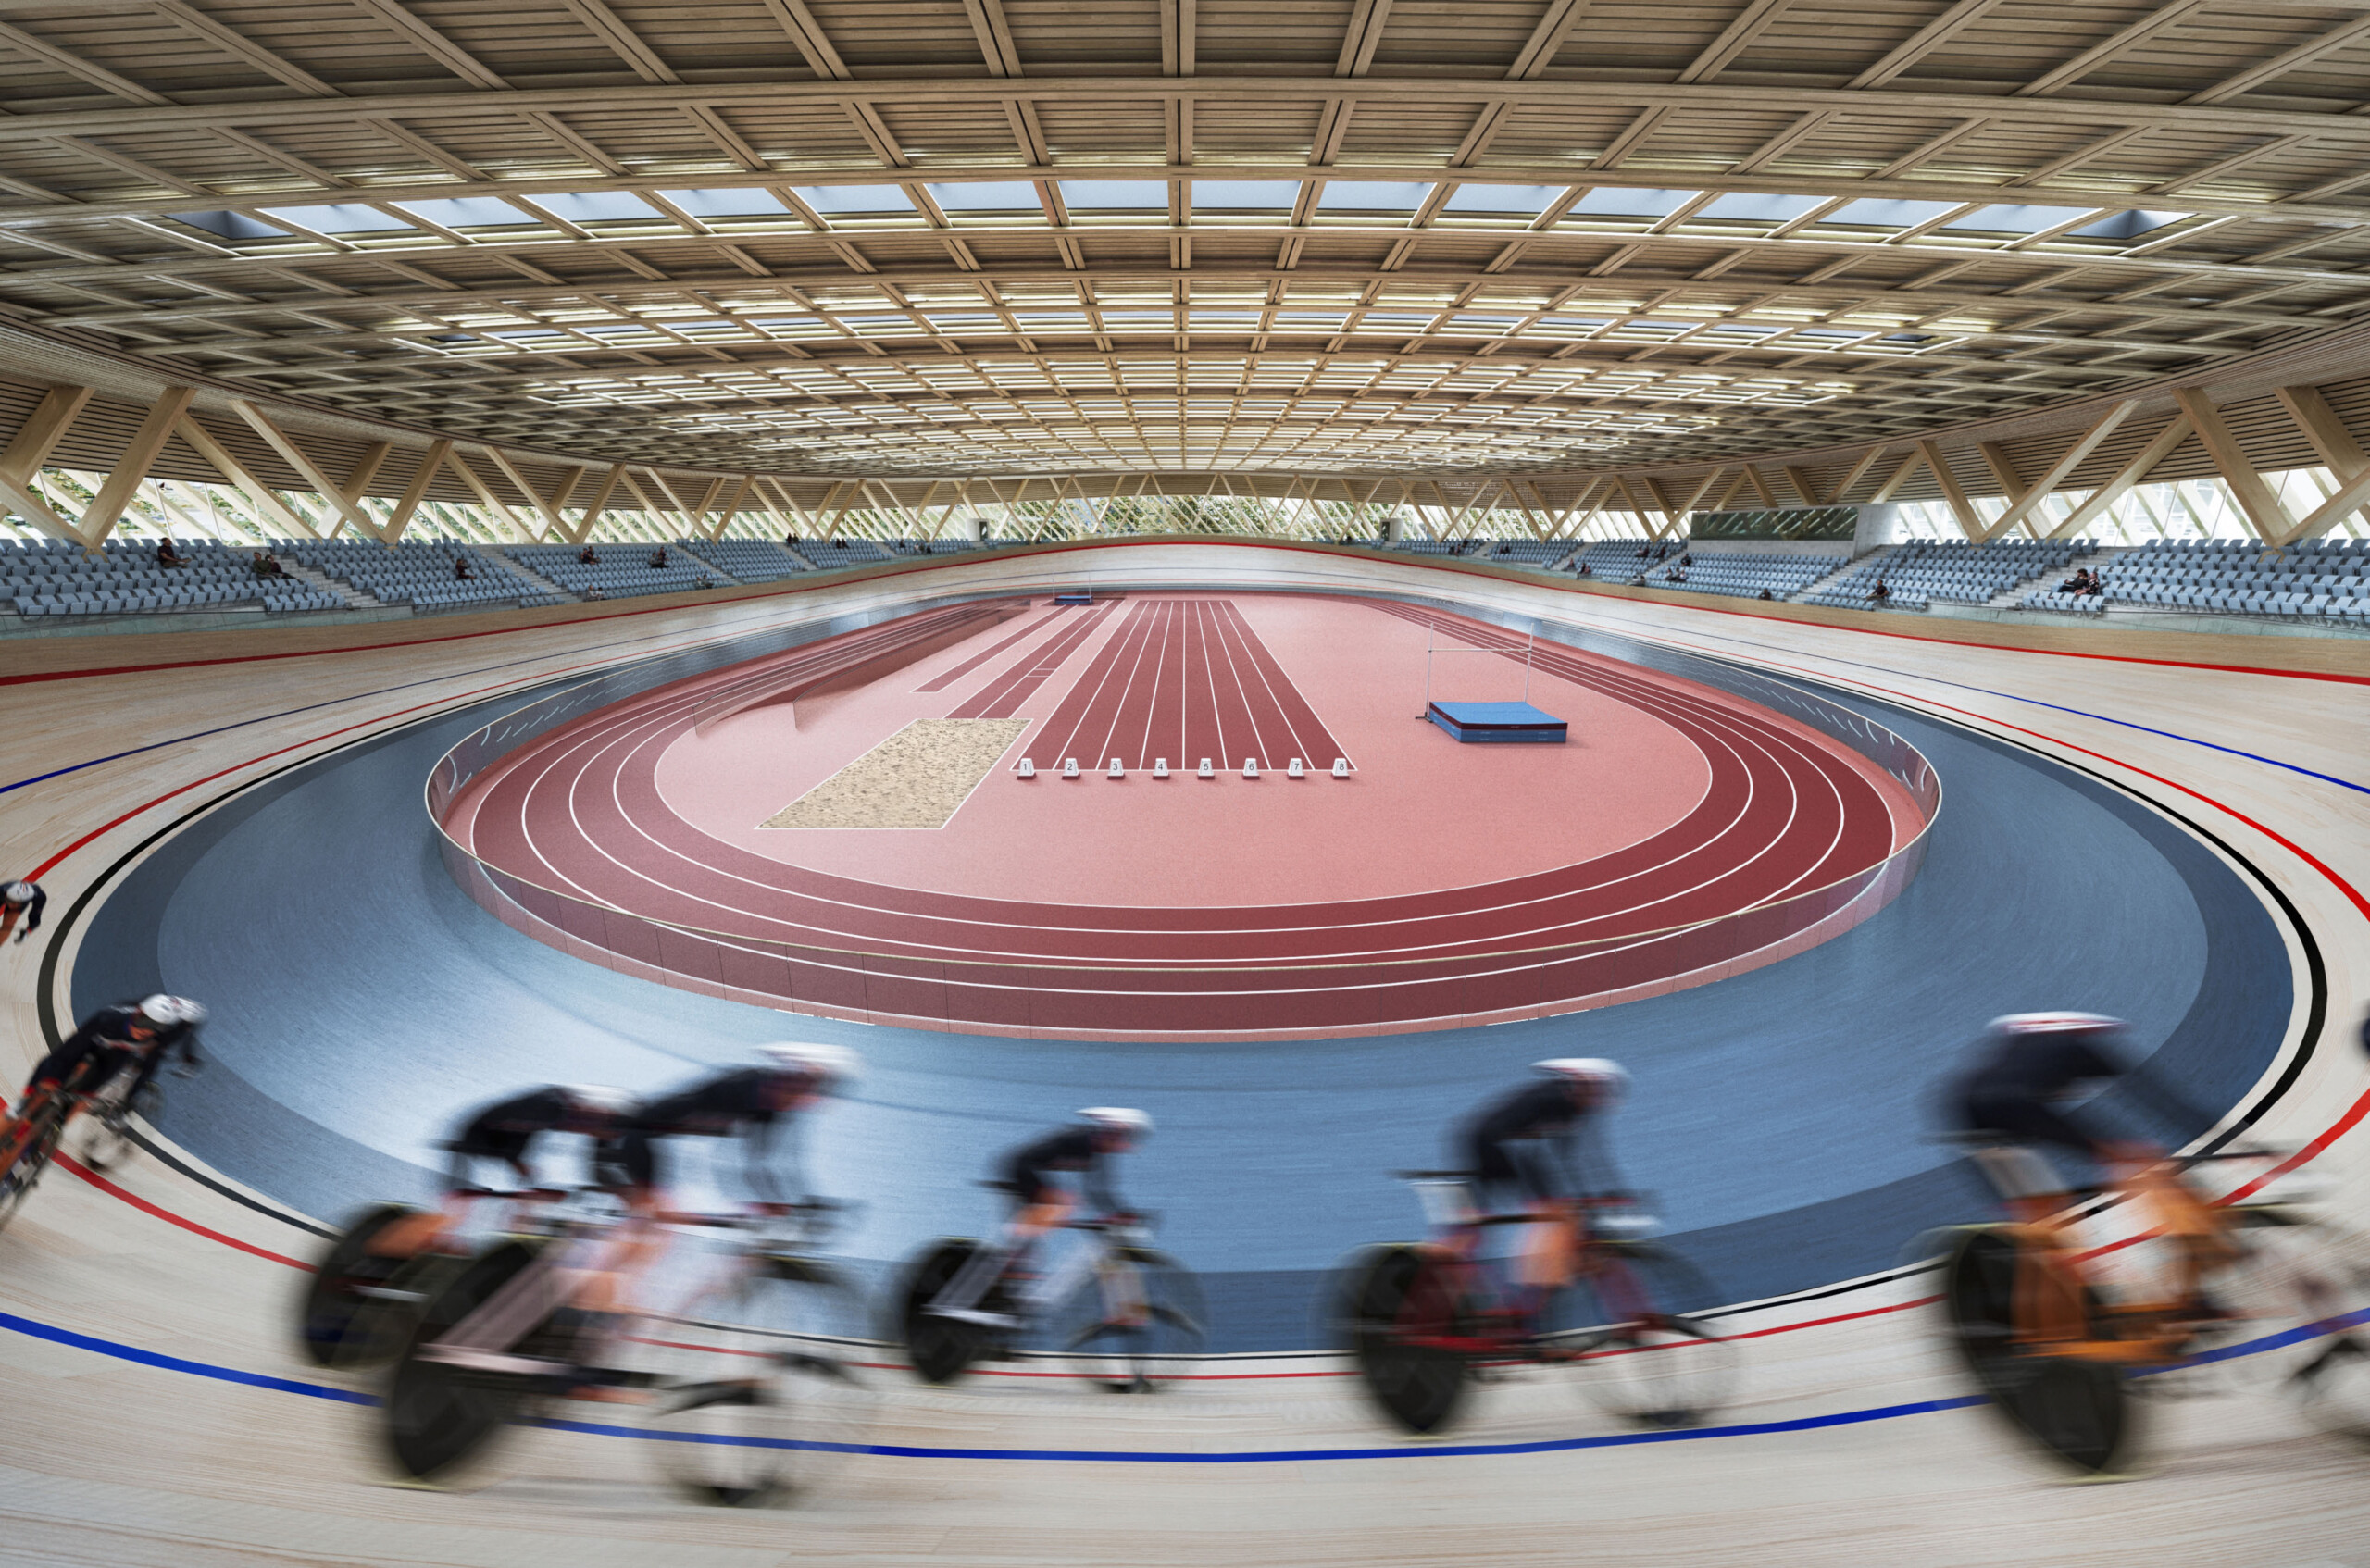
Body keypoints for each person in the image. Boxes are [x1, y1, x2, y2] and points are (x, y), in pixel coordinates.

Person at [928, 1107, 1152, 1328]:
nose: (1121, 1147)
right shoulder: (1084, 1140)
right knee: (1064, 1203)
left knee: (1039, 1243)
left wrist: (1124, 1213)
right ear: (1113, 1131)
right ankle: (1008, 1261)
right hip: (1019, 1168)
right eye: (1124, 1138)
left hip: (1027, 1172)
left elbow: (1100, 1192)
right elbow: (1040, 1167)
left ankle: (1012, 1290)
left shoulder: (1098, 1153)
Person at [1458, 1059, 1630, 1334]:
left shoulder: (1570, 1102)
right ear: (1584, 1083)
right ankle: (1521, 1306)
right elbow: (1571, 1159)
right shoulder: (1558, 1101)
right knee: (1556, 1217)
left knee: (1483, 1221)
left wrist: (1610, 1191)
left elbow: (1580, 1157)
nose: (1597, 1103)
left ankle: (1488, 1298)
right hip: (1497, 1146)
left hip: (1486, 1141)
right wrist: (1601, 1196)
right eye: (1598, 1093)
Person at [368, 1083, 637, 1259]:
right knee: (453, 1213)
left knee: (521, 1195)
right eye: (599, 1126)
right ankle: (385, 1252)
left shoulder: (561, 1110)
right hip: (473, 1142)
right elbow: (504, 1129)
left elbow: (592, 1164)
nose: (589, 1132)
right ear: (594, 1111)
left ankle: (508, 1243)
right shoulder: (551, 1108)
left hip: (486, 1142)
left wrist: (526, 1176)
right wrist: (521, 1168)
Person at [612, 1042, 860, 1211]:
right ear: (785, 1080)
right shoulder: (745, 1087)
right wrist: (763, 1202)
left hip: (652, 1140)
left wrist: (797, 1200)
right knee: (656, 1220)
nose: (798, 1103)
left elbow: (772, 1162)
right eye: (799, 1090)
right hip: (639, 1137)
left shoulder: (769, 1107)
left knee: (659, 1217)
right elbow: (731, 1164)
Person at [9, 995, 205, 1129]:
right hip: (146, 1017)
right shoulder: (154, 1007)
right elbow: (130, 1009)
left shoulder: (182, 1024)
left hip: (168, 1028)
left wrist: (188, 1058)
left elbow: (187, 1040)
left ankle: (121, 1110)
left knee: (150, 1062)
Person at [0, 879, 44, 945]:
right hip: (4, 895)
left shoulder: (39, 896)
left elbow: (36, 919)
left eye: (17, 904)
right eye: (12, 902)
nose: (14, 906)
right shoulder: (1, 891)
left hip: (22, 901)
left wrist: (28, 932)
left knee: (8, 924)